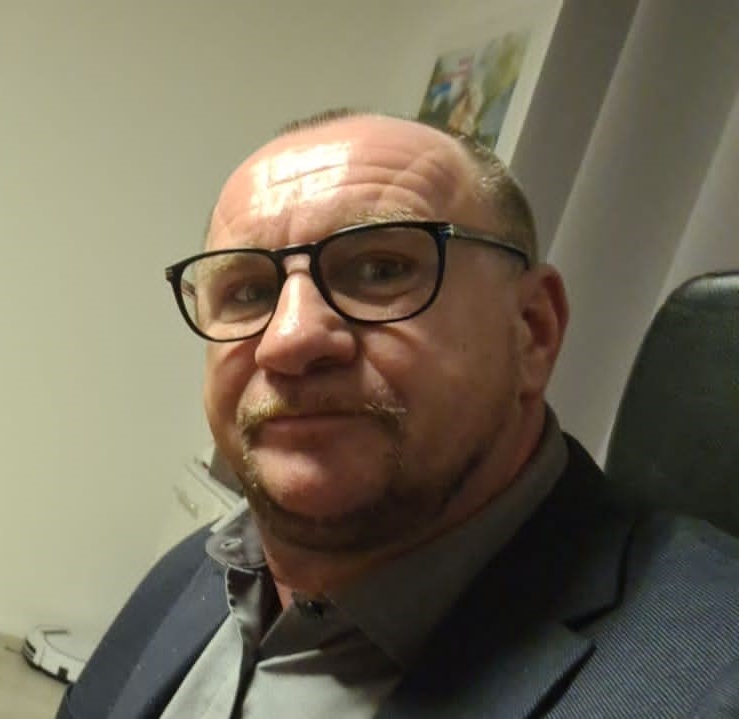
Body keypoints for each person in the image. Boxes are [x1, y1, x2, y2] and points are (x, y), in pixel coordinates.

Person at [58, 109, 739, 718]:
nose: (289, 338)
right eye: (248, 291)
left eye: (380, 269)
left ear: (532, 330)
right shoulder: (202, 567)